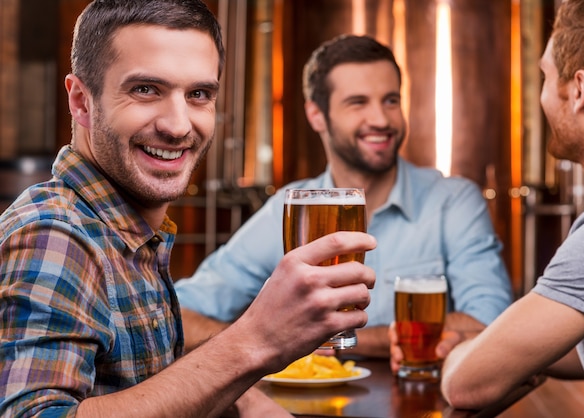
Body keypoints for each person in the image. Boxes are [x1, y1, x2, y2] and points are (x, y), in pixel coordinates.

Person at [0, 1, 377, 416]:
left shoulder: (127, 231)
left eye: (198, 94)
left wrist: (246, 402)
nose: (178, 125)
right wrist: (255, 342)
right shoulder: (57, 233)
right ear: (81, 101)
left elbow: (154, 387)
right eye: (146, 90)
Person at [175, 34, 513, 358]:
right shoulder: (293, 207)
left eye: (391, 100)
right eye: (358, 103)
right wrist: (260, 346)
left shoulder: (452, 201)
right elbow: (179, 317)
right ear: (316, 115)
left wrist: (326, 342)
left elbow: (491, 325)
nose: (381, 119)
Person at [393, 0, 584, 416]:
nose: (540, 94)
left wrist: (463, 357)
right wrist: (507, 349)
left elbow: (467, 387)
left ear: (578, 90)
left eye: (544, 76)